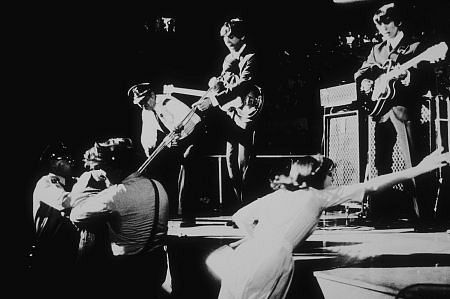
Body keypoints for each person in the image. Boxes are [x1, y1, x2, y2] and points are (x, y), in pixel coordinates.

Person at [207, 148, 450, 299]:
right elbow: (372, 185)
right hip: (273, 258)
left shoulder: (278, 195)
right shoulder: (317, 196)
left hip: (247, 255)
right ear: (317, 176)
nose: (333, 178)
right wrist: (418, 169)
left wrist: (256, 239)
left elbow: (240, 216)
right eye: (330, 174)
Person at [354, 2, 438, 229]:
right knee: (381, 164)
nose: (383, 28)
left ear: (397, 22)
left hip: (404, 111)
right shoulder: (377, 50)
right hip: (381, 112)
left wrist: (407, 78)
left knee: (414, 162)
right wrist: (368, 83)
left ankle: (423, 218)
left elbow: (426, 78)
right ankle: (383, 216)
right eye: (380, 25)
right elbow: (361, 73)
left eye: (387, 23)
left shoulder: (415, 47)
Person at [69, 137, 170, 298]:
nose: (105, 177)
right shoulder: (157, 185)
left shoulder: (116, 194)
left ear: (117, 169)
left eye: (106, 171)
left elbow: (75, 216)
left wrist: (83, 186)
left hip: (129, 271)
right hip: (157, 264)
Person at [192, 17, 263, 211]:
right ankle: (240, 208)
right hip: (232, 112)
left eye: (231, 36)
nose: (227, 41)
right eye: (225, 37)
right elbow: (225, 85)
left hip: (249, 112)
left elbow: (244, 85)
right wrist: (216, 85)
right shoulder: (228, 59)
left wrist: (214, 101)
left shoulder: (251, 57)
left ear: (242, 36)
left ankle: (250, 208)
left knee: (244, 161)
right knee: (231, 161)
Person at [128, 82, 203, 225]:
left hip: (194, 135)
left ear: (152, 95)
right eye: (139, 103)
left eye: (144, 100)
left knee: (187, 167)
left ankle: (188, 215)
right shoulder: (147, 111)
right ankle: (163, 211)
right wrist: (149, 153)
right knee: (161, 169)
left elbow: (188, 122)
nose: (142, 105)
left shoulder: (168, 102)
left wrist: (176, 139)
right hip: (175, 141)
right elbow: (147, 135)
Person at [29, 142, 80, 280]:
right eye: (65, 159)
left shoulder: (72, 182)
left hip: (67, 250)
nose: (71, 162)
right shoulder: (45, 182)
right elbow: (64, 201)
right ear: (52, 163)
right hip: (48, 250)